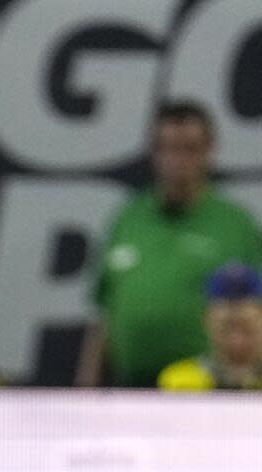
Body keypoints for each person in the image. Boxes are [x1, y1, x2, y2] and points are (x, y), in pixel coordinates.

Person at [77, 101, 262, 388]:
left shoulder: (235, 225)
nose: (178, 160)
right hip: (131, 386)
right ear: (154, 153)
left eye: (189, 148)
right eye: (169, 148)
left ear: (209, 152)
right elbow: (104, 314)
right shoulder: (129, 219)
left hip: (204, 389)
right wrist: (85, 387)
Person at [158, 263, 262, 390]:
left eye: (245, 327)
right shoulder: (180, 382)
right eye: (227, 328)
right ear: (205, 319)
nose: (234, 312)